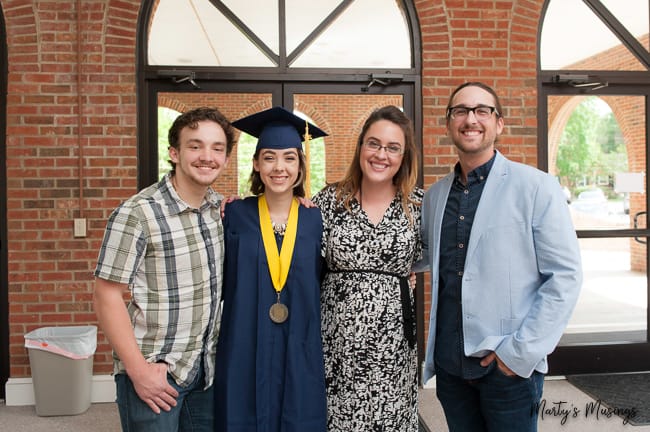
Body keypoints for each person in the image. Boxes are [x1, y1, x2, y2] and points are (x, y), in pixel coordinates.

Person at [418, 81, 583, 432]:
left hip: (507, 371)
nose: (470, 119)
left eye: (482, 110)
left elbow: (564, 277)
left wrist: (518, 354)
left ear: (499, 123)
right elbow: (420, 257)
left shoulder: (536, 188)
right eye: (460, 111)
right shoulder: (434, 197)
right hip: (451, 369)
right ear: (448, 124)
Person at [93, 107, 236, 431]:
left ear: (226, 159)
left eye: (217, 148)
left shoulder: (218, 210)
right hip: (154, 370)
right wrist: (138, 370)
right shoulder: (138, 213)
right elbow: (106, 295)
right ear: (174, 152)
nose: (206, 157)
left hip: (203, 370)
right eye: (195, 146)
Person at [214, 107, 328, 432]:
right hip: (244, 343)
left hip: (300, 344)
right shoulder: (233, 215)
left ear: (301, 166)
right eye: (269, 157)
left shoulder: (316, 219)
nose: (279, 167)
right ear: (256, 164)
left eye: (290, 158)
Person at [312, 105, 423, 431]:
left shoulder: (417, 206)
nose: (381, 154)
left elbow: (440, 256)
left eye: (392, 147)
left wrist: (406, 279)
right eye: (374, 143)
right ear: (361, 146)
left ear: (404, 156)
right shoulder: (328, 201)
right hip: (337, 345)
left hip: (394, 348)